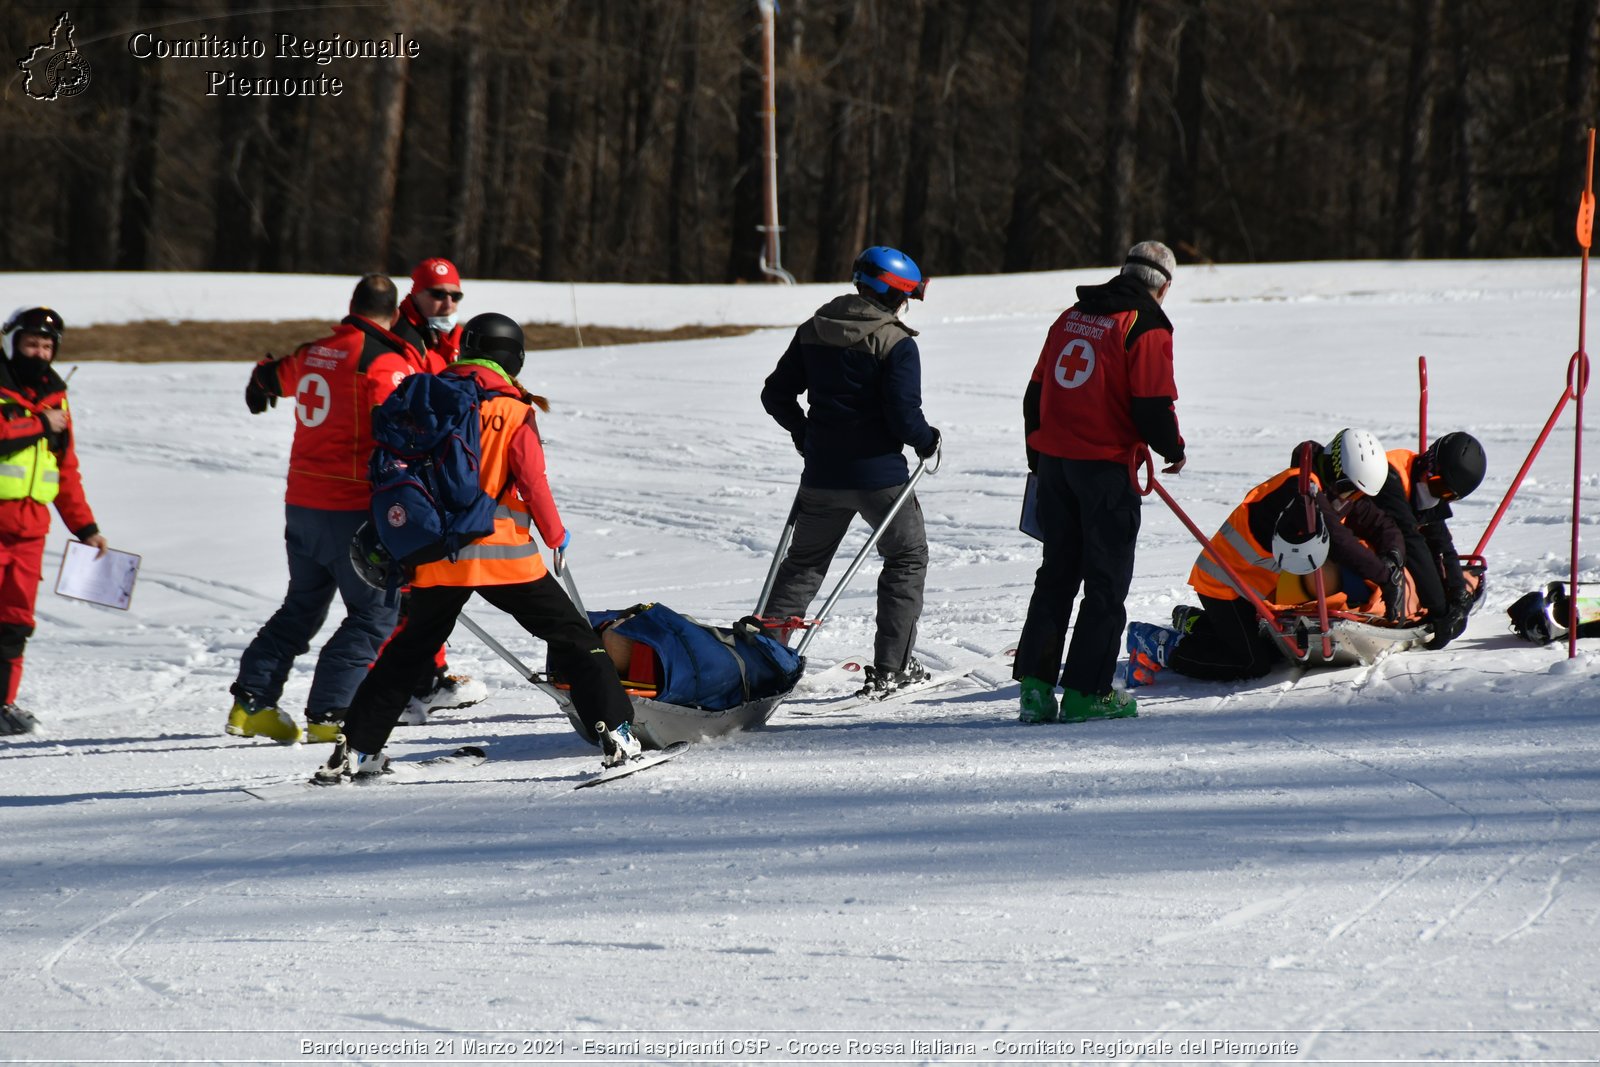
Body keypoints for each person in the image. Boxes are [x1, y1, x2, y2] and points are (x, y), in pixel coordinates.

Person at [316, 312, 637, 781]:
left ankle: (356, 751)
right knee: (574, 639)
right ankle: (618, 736)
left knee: (408, 653)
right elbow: (533, 483)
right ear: (515, 357)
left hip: (436, 556)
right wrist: (555, 535)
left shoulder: (426, 395)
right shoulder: (512, 407)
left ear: (466, 348)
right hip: (506, 557)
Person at [228, 275, 427, 744]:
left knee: (302, 605)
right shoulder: (383, 361)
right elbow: (404, 428)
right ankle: (331, 714)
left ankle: (252, 703)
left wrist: (259, 381)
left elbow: (270, 377)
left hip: (302, 503)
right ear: (395, 314)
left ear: (353, 305)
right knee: (374, 614)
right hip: (352, 507)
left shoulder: (314, 351)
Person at [1013, 241, 1186, 725]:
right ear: (1164, 286)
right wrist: (1173, 449)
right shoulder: (1146, 324)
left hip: (1055, 464)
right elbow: (1152, 404)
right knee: (1105, 584)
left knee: (1056, 575)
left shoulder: (1071, 315)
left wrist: (1039, 457)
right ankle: (1088, 693)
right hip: (1105, 469)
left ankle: (1036, 688)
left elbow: (1035, 392)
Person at [758, 245, 942, 699]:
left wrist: (807, 437)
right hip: (880, 479)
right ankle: (891, 668)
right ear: (896, 293)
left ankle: (762, 660)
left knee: (803, 564)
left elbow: (775, 395)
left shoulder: (814, 328)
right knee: (906, 557)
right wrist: (927, 439)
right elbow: (903, 417)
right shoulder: (896, 343)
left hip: (822, 476)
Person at [1127, 428, 1404, 684]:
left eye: (1357, 493)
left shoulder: (1333, 493)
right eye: (1350, 488)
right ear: (1336, 470)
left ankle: (1194, 622)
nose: (1352, 498)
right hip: (1223, 583)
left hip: (1252, 589)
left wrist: (1392, 559)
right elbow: (1339, 542)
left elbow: (1382, 524)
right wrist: (1384, 577)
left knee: (1271, 648)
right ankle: (1158, 644)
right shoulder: (1300, 491)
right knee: (1251, 662)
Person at [387, 256, 487, 722]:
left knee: (430, 579)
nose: (447, 303)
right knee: (404, 589)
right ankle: (394, 688)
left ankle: (430, 675)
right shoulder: (401, 340)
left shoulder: (447, 340)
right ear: (416, 294)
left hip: (434, 474)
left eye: (454, 296)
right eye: (438, 295)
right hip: (405, 476)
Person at [0, 308, 108, 735]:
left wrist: (86, 528)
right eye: (31, 344)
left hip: (29, 531)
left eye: (47, 346)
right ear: (12, 344)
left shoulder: (56, 399)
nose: (40, 353)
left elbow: (64, 472)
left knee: (15, 621)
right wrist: (37, 424)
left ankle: (2, 704)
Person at [1371, 431, 1486, 650]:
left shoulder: (1429, 484)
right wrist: (1440, 610)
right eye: (1439, 488)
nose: (1439, 497)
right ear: (1429, 464)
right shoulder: (1389, 476)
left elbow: (1441, 542)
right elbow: (1412, 544)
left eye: (1449, 496)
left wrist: (1458, 593)